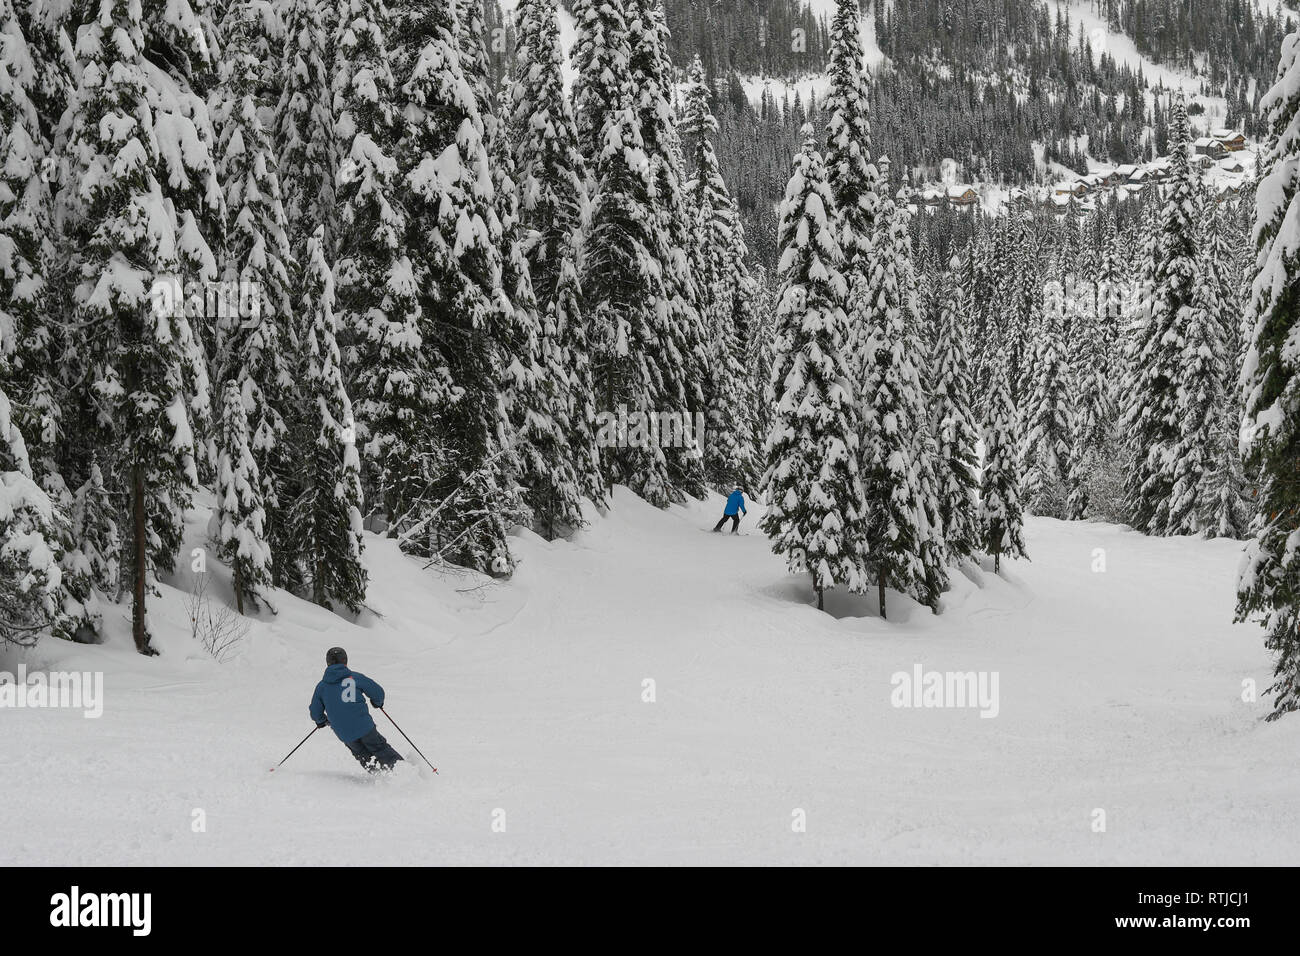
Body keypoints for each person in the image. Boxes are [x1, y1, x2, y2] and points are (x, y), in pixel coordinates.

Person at [309, 647, 404, 773]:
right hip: (364, 726)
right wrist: (377, 702)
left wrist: (321, 721)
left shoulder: (322, 686)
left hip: (343, 732)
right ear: (345, 661)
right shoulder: (355, 678)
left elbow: (315, 711)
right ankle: (402, 771)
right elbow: (377, 692)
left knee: (362, 754)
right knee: (379, 748)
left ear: (328, 663)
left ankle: (379, 776)